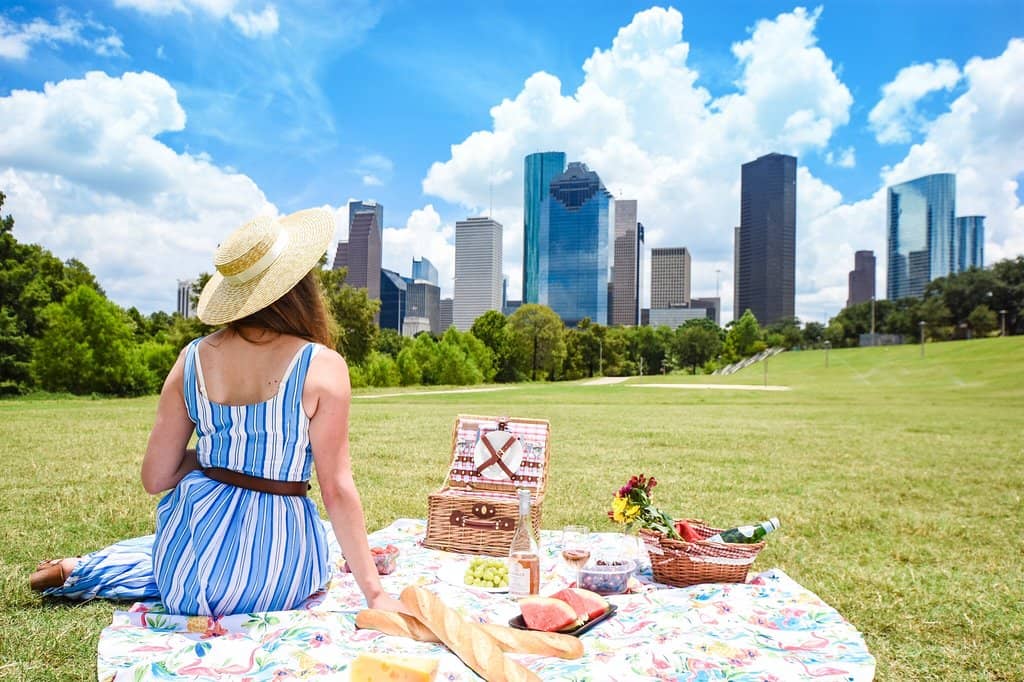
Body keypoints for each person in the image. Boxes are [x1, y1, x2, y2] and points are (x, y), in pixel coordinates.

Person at [29, 208, 405, 616]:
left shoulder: (191, 359)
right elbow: (336, 490)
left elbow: (156, 477)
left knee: (170, 549)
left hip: (186, 581)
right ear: (300, 286)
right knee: (327, 536)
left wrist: (217, 457)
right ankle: (84, 570)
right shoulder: (321, 364)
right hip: (278, 579)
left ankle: (83, 570)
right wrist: (375, 594)